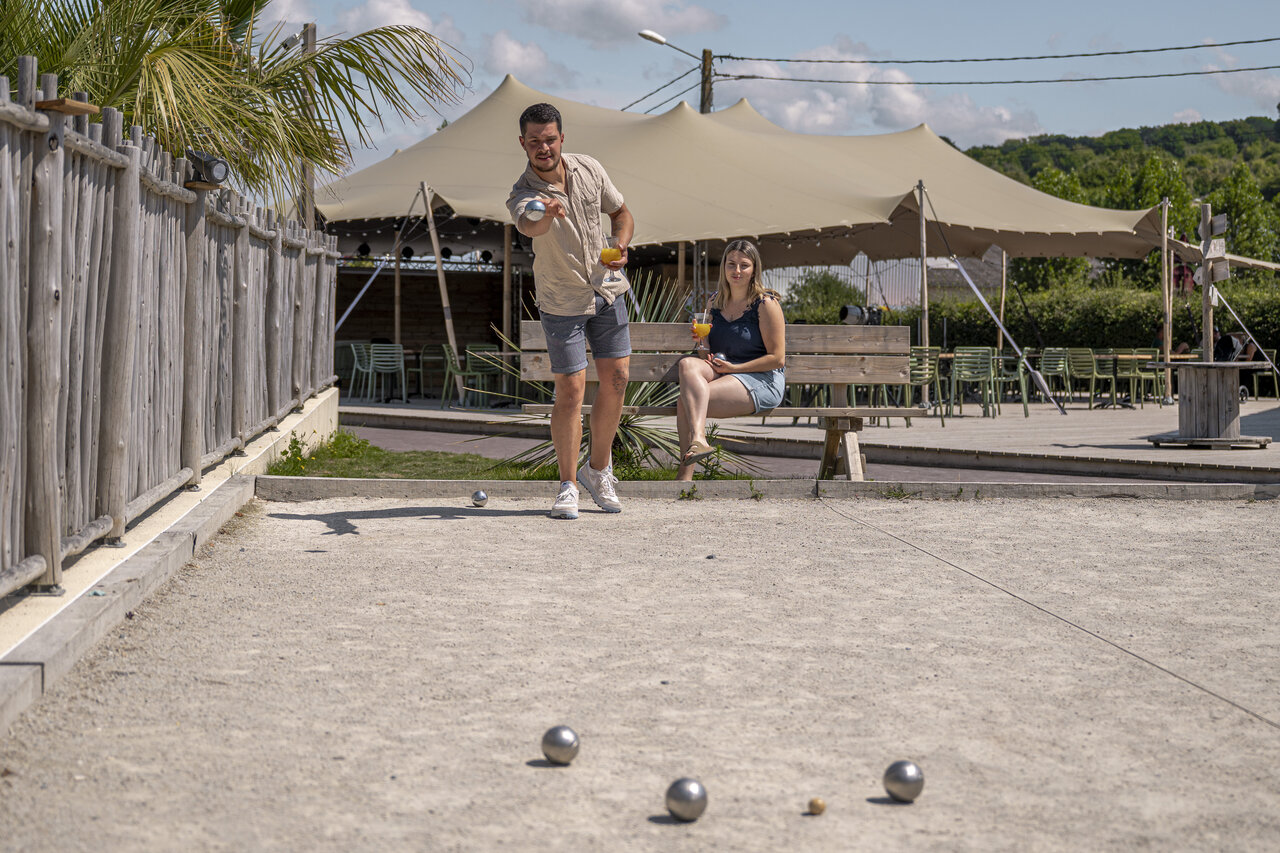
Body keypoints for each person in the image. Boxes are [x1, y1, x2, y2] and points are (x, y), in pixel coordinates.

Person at [507, 103, 634, 520]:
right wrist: (548, 213)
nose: (543, 147)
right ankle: (567, 486)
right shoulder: (524, 193)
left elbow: (621, 213)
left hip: (608, 290)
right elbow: (530, 226)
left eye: (549, 139)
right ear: (522, 143)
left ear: (562, 138)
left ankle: (598, 470)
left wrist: (622, 243)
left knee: (616, 379)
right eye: (534, 141)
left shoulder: (590, 169)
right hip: (562, 301)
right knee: (571, 392)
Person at [675, 240, 785, 481]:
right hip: (725, 372)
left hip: (760, 378)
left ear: (754, 269)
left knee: (686, 402)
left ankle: (684, 477)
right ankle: (699, 441)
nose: (737, 271)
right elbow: (706, 356)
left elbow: (777, 359)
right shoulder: (714, 302)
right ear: (724, 266)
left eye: (744, 265)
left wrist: (736, 368)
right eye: (731, 264)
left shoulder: (766, 304)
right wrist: (701, 342)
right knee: (687, 364)